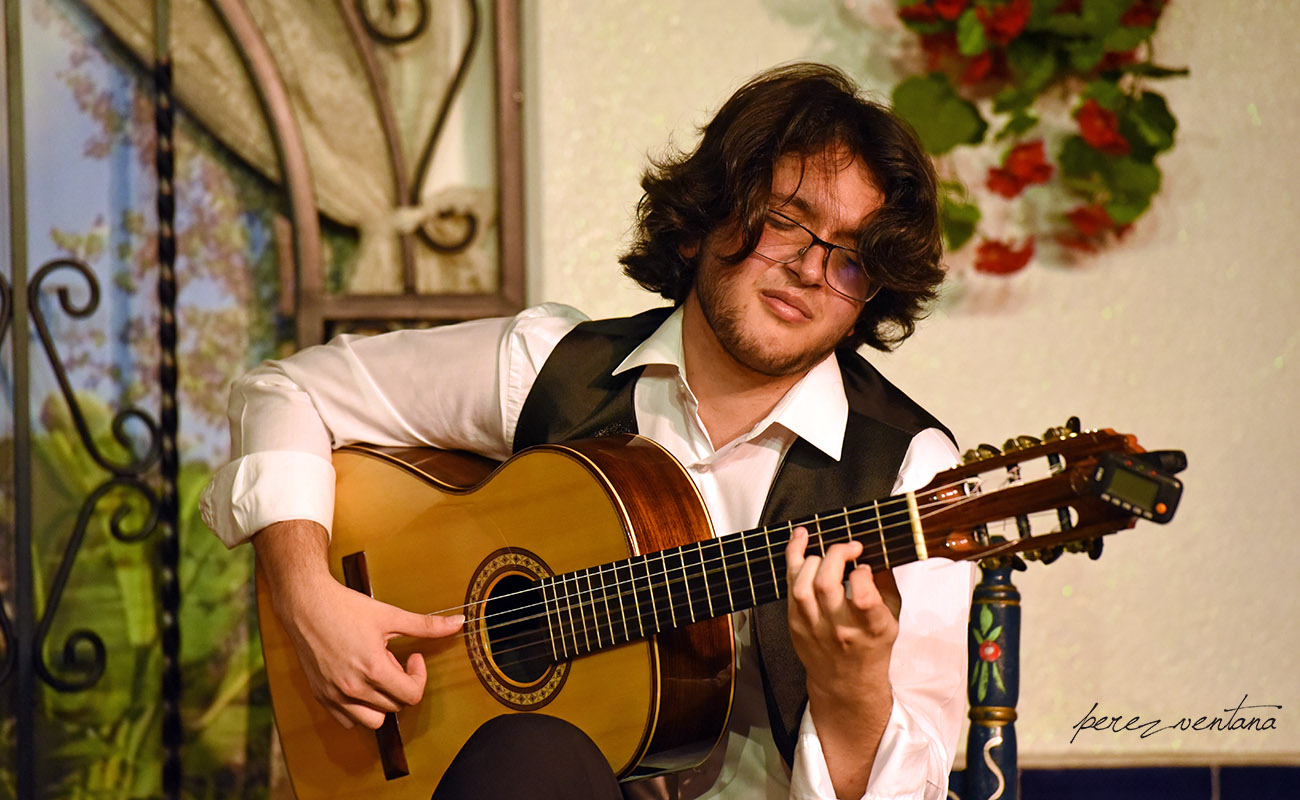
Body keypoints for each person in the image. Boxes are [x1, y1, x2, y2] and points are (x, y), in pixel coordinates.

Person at [201, 62, 976, 800]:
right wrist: (307, 596)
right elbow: (285, 391)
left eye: (852, 259)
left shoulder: (909, 473)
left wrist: (851, 693)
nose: (813, 269)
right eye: (787, 222)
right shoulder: (553, 367)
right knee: (532, 753)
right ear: (698, 224)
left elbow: (917, 785)